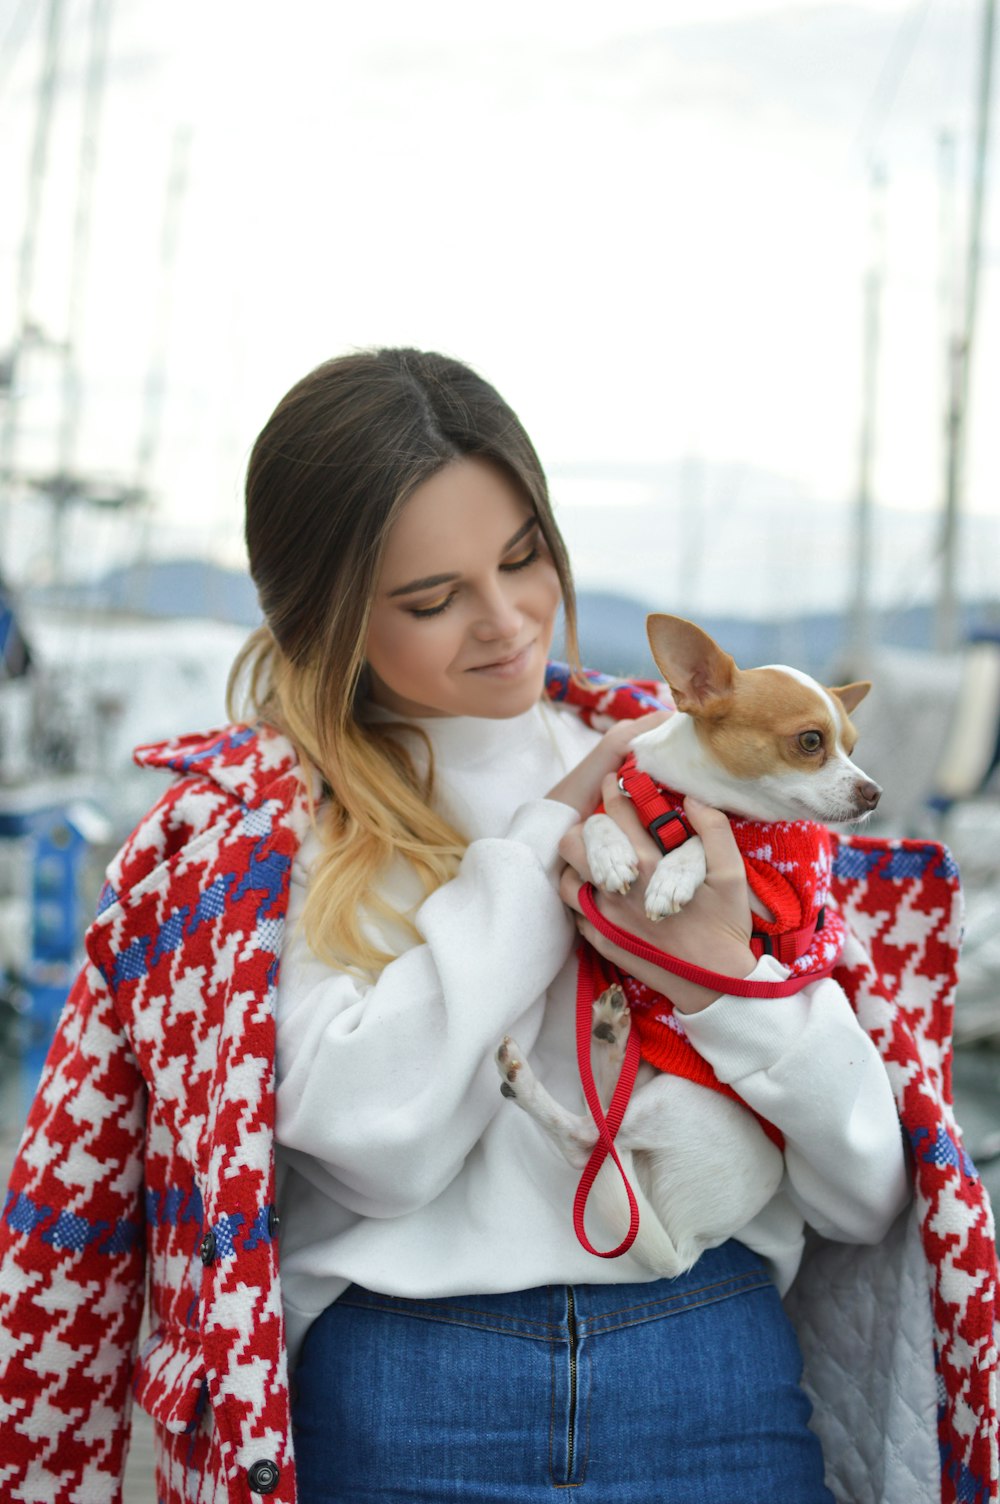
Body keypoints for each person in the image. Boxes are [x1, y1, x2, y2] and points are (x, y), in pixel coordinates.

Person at [0, 348, 994, 1504]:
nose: (508, 621)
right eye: (431, 599)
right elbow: (384, 1146)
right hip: (404, 1395)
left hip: (715, 1372)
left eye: (524, 558)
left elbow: (868, 1189)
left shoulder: (711, 778)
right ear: (322, 615)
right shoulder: (258, 844)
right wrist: (533, 853)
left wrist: (729, 982)